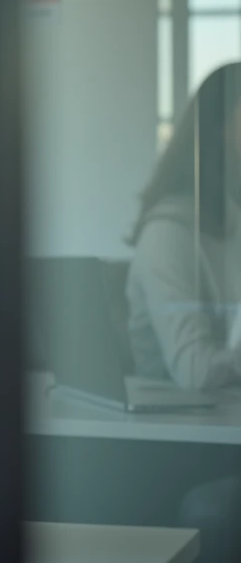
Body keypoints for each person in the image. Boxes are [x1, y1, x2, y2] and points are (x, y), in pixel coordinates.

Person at [126, 61, 241, 392]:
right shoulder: (168, 234)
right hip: (179, 433)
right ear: (219, 129)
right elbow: (196, 370)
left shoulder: (234, 221)